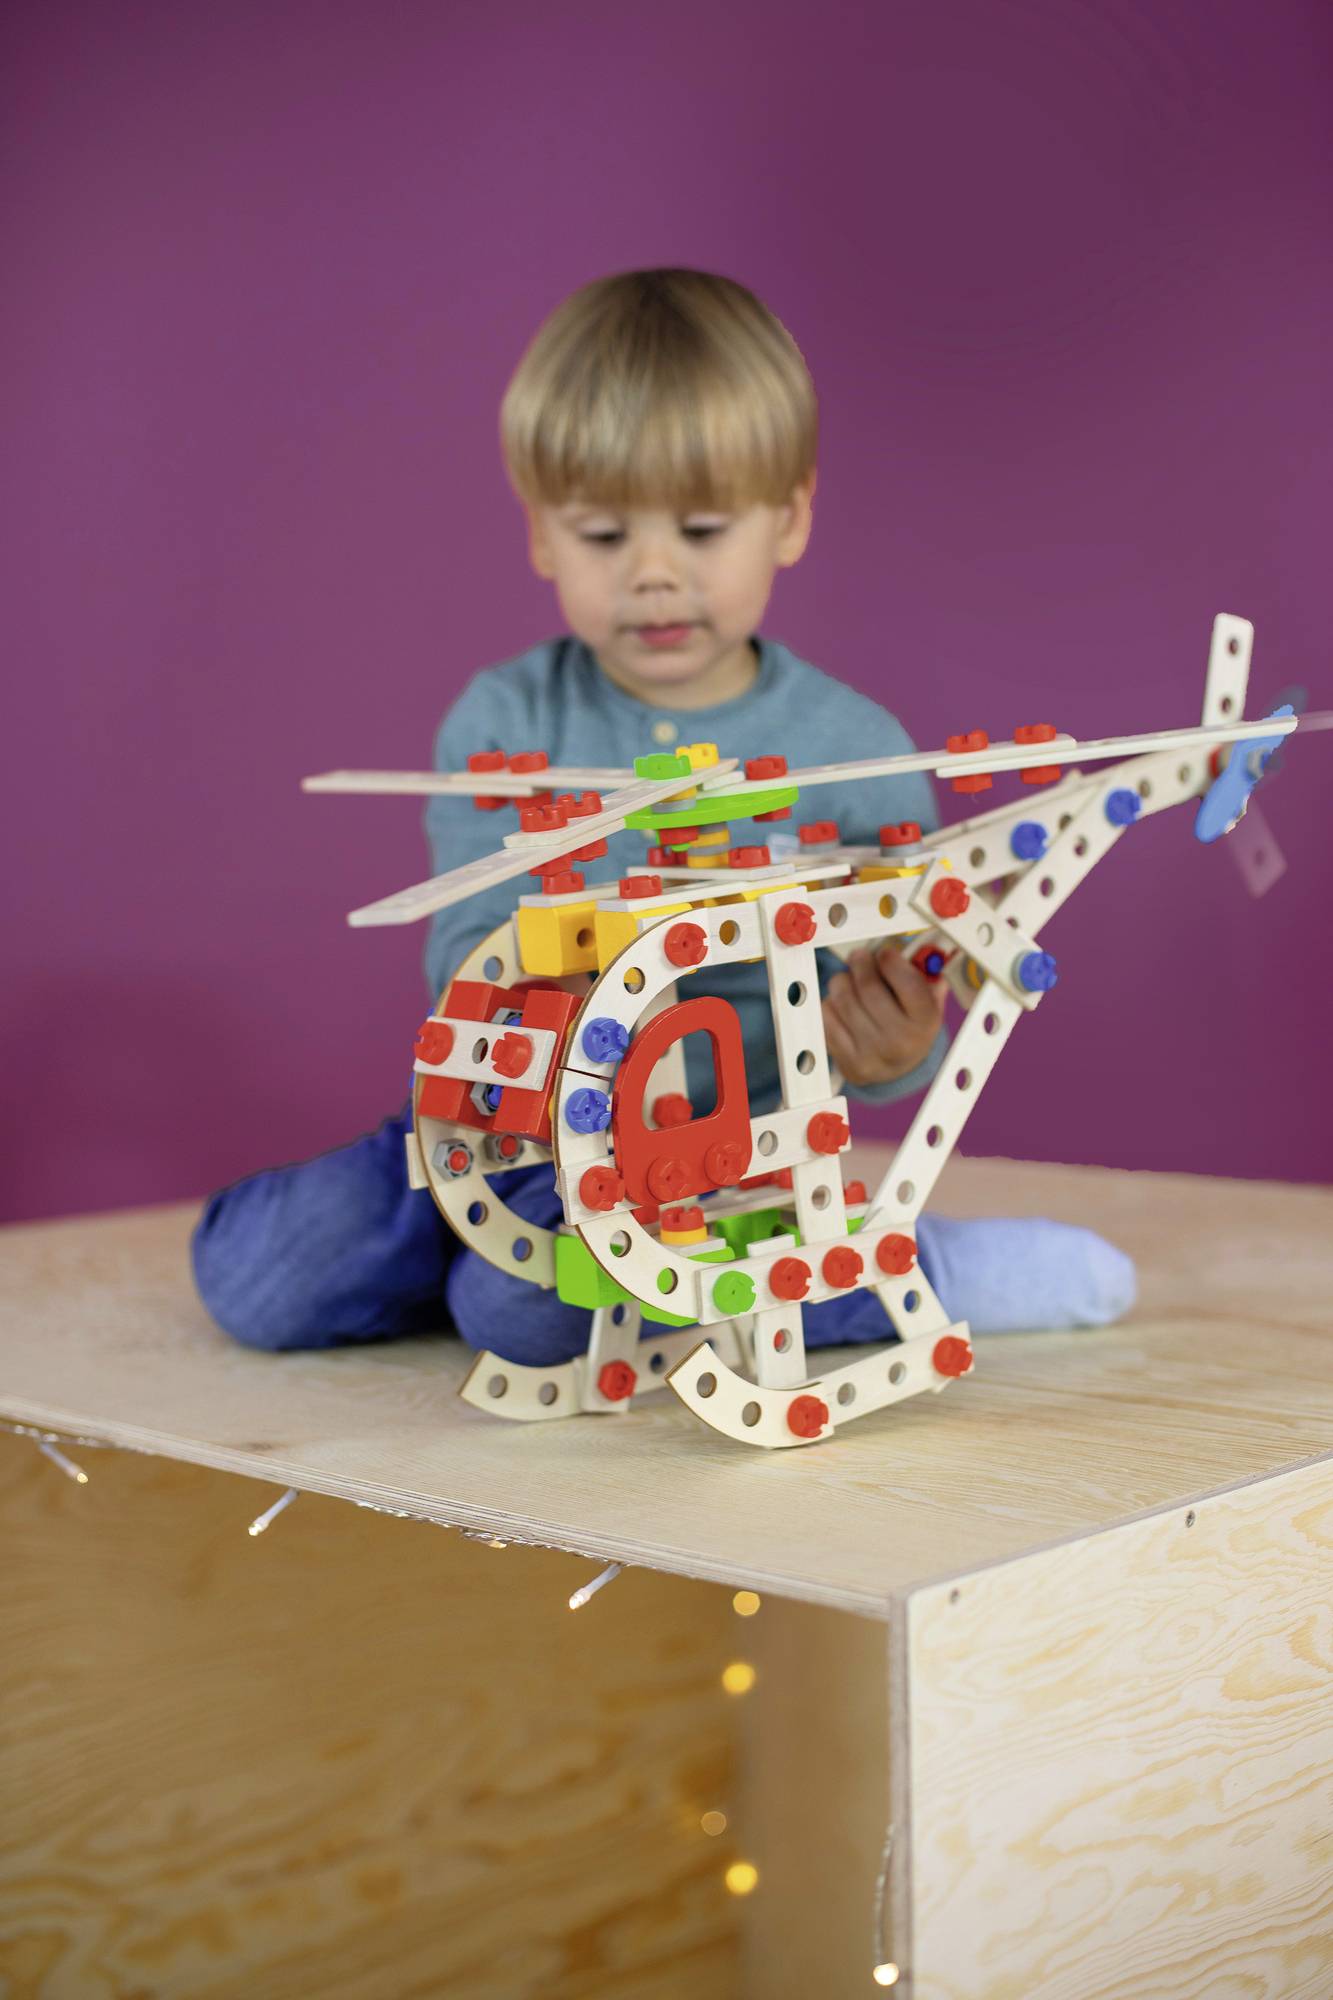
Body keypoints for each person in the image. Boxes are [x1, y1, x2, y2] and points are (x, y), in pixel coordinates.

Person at [192, 268, 1134, 1361]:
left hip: (705, 1165)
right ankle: (471, 1267)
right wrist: (537, 1004)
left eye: (698, 527)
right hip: (501, 1125)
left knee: (521, 1312)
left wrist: (895, 1045)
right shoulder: (503, 720)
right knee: (254, 1275)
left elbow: (903, 975)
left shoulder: (857, 748)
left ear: (788, 518)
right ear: (540, 535)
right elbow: (467, 941)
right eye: (602, 535)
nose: (651, 574)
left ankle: (910, 1267)